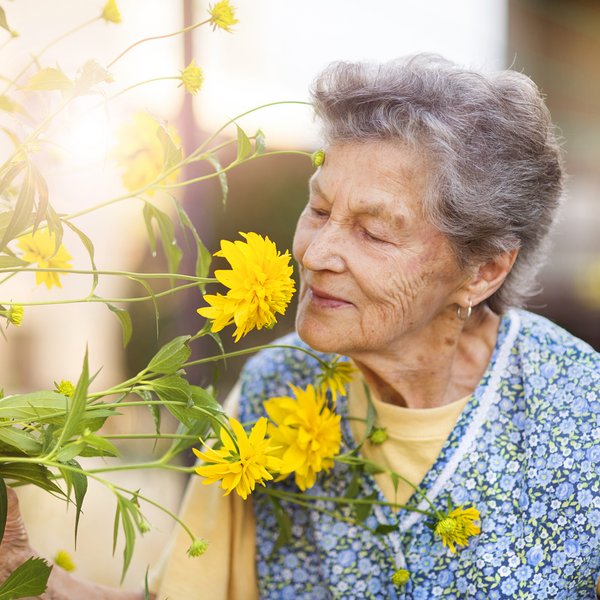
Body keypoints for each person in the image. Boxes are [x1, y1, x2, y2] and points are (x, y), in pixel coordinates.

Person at [1, 54, 598, 599]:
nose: (315, 253)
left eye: (373, 231)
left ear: (484, 271)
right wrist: (30, 578)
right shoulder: (274, 387)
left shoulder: (579, 409)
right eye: (318, 209)